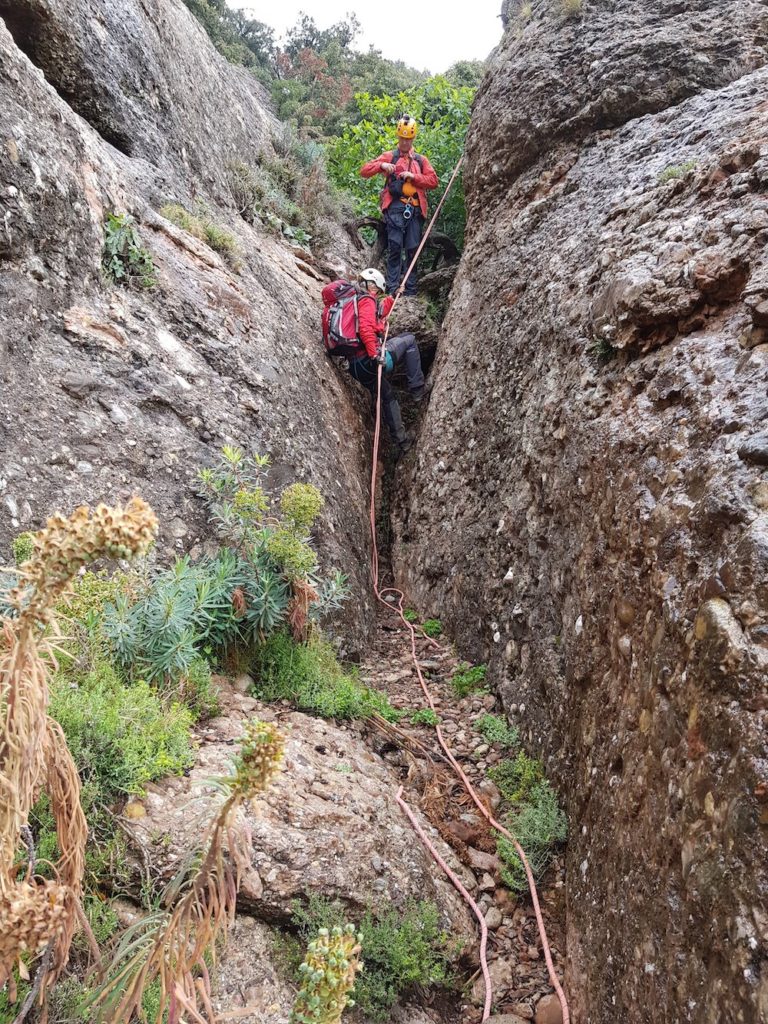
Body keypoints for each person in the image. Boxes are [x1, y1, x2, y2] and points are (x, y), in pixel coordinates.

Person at [345, 268, 430, 453]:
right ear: (374, 285)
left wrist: (393, 296)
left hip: (356, 367)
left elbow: (380, 312)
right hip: (371, 360)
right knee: (409, 340)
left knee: (388, 395)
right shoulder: (367, 301)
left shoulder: (355, 303)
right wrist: (376, 354)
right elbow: (367, 329)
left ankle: (402, 442)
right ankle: (417, 389)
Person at [360, 115, 439, 297]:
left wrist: (414, 177)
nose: (404, 142)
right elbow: (365, 170)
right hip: (395, 208)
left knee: (412, 249)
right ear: (398, 137)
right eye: (402, 138)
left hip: (415, 209)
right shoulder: (391, 156)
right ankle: (392, 289)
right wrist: (382, 165)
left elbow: (433, 181)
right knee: (395, 247)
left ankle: (410, 290)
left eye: (408, 139)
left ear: (413, 139)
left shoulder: (420, 160)